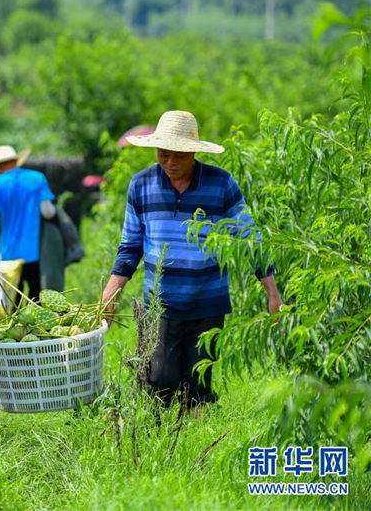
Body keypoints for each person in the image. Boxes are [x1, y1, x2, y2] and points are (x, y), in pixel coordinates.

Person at [100, 110, 282, 407]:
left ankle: (197, 432)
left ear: (194, 152)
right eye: (164, 154)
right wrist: (110, 294)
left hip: (207, 301)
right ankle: (157, 433)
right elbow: (130, 247)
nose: (170, 163)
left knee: (198, 385)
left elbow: (249, 238)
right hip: (159, 303)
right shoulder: (141, 185)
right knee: (160, 381)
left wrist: (273, 294)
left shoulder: (221, 184)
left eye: (179, 156)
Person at [0, 145, 56, 302]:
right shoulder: (37, 178)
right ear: (16, 161)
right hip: (35, 253)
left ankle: (15, 319)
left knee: (12, 303)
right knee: (37, 299)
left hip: (9, 255)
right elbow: (48, 212)